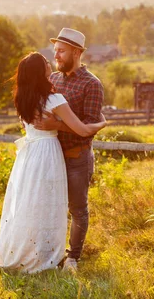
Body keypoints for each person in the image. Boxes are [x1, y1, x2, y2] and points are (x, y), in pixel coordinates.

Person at [0, 52, 106, 274]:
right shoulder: (54, 99)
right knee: (51, 205)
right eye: (45, 62)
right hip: (47, 152)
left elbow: (27, 126)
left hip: (28, 155)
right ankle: (46, 256)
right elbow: (82, 130)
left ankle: (23, 252)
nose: (50, 62)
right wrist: (102, 123)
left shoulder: (23, 97)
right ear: (40, 71)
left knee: (29, 203)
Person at [34, 27, 104, 272]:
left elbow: (90, 126)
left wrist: (57, 124)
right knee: (51, 206)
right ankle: (49, 253)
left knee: (77, 208)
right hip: (50, 157)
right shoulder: (52, 80)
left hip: (76, 158)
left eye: (61, 51)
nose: (57, 56)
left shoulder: (91, 84)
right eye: (55, 51)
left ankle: (73, 257)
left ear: (76, 52)